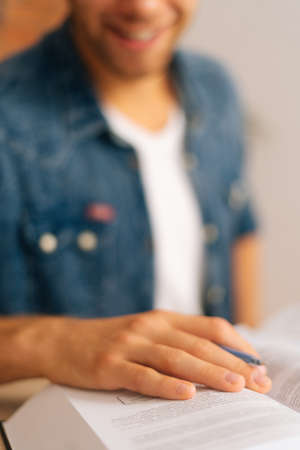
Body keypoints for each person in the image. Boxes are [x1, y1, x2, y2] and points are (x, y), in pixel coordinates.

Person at [0, 0, 271, 399]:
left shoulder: (216, 87)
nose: (142, 8)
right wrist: (56, 342)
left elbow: (241, 233)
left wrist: (253, 364)